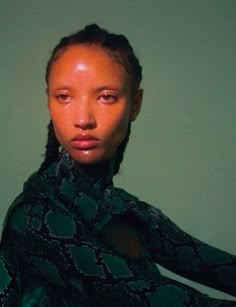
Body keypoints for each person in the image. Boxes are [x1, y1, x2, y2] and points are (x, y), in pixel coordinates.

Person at [0, 24, 235, 307]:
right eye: (64, 96)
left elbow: (217, 267)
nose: (83, 119)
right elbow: (152, 299)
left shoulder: (128, 209)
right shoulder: (34, 218)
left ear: (135, 104)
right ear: (49, 102)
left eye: (106, 96)